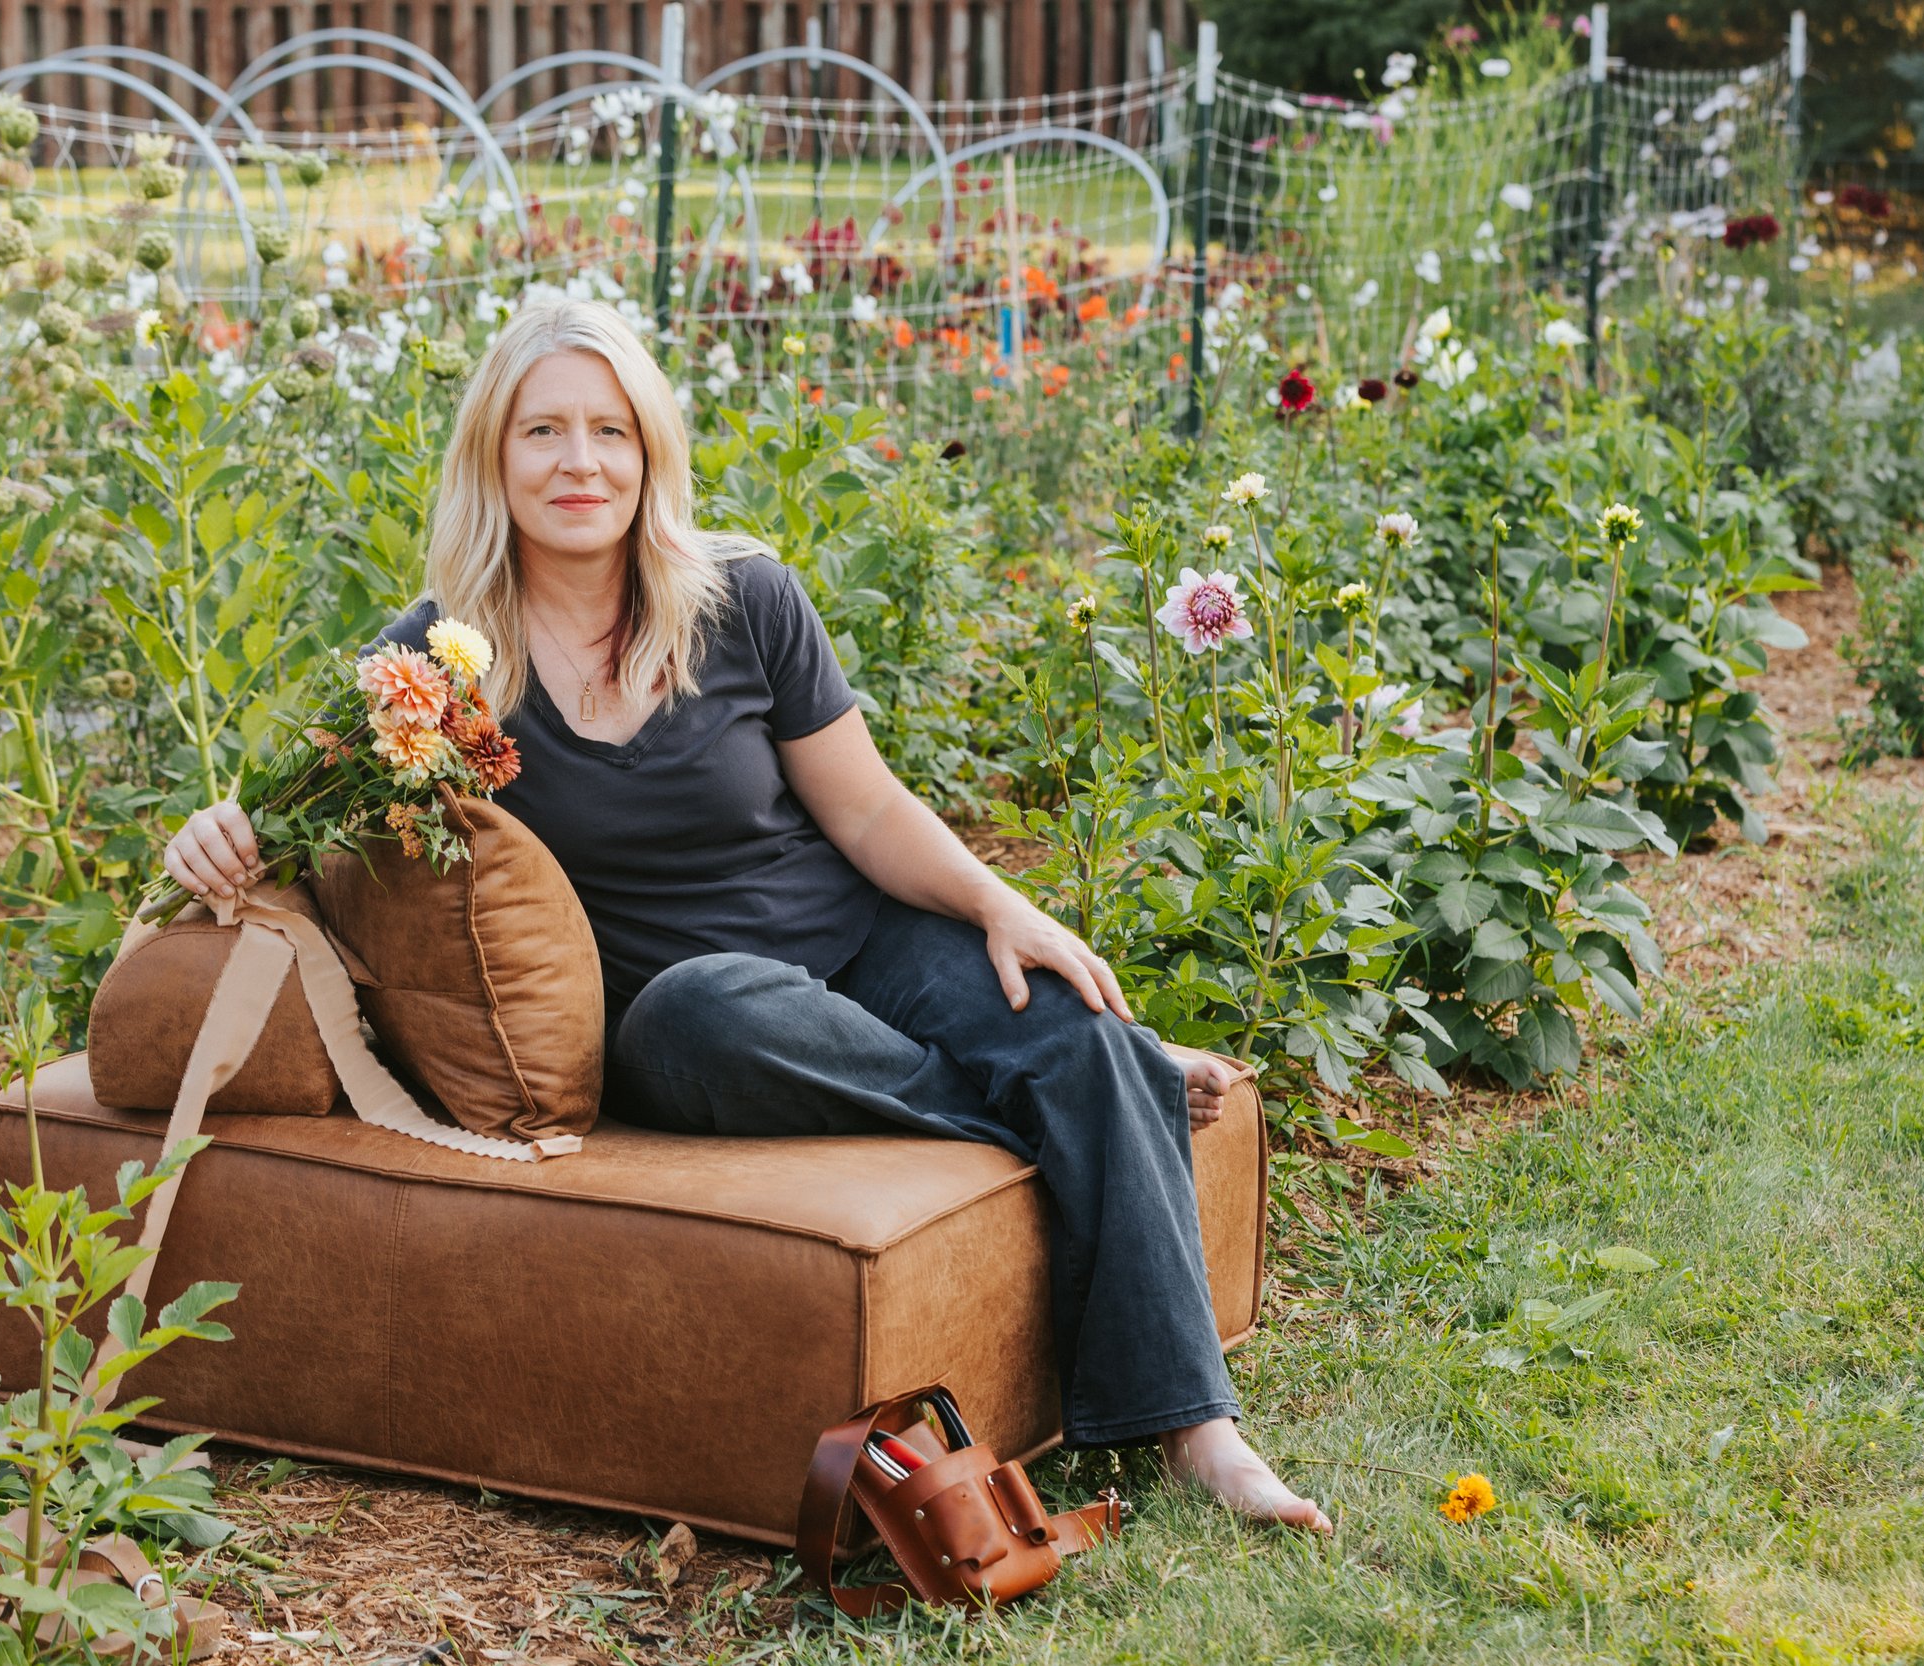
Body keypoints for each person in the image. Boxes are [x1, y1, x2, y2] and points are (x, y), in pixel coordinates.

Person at [162, 299, 1331, 1533]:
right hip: (691, 1023)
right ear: (492, 458)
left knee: (1074, 1023)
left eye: (610, 430)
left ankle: (1199, 1431)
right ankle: (1083, 1095)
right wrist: (213, 833)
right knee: (714, 1006)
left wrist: (1000, 906)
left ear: (651, 450)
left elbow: (869, 816)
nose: (580, 463)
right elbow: (295, 816)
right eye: (543, 431)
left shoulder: (742, 597)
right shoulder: (439, 661)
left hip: (860, 947)